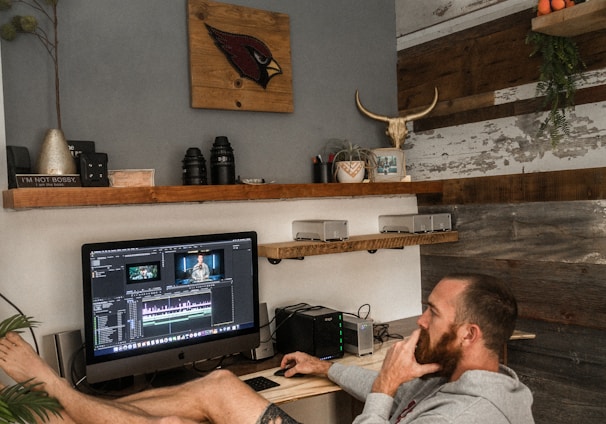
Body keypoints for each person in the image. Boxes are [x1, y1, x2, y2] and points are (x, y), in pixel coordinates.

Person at [0, 273, 534, 423]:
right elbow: (384, 386)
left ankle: (55, 393)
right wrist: (325, 366)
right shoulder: (454, 377)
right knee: (219, 384)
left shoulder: (469, 417)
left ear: (469, 335)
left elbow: (389, 391)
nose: (420, 319)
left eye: (433, 313)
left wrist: (388, 387)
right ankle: (72, 403)